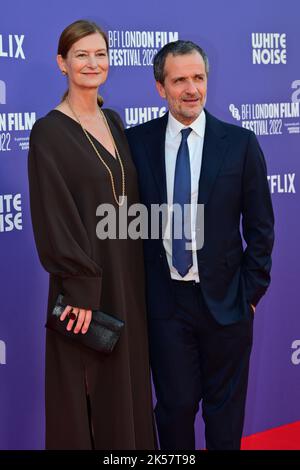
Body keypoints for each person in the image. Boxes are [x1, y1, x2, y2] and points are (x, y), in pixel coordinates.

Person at [125, 40, 274, 450]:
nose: (191, 89)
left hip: (228, 303)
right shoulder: (136, 143)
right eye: (179, 81)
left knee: (224, 415)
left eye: (199, 78)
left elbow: (262, 227)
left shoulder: (240, 144)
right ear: (160, 87)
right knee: (173, 409)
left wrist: (251, 295)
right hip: (166, 305)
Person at [28, 19, 156, 450]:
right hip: (88, 291)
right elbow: (53, 214)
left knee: (129, 395)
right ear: (61, 63)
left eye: (100, 54)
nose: (92, 62)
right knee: (89, 399)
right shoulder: (48, 131)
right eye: (80, 54)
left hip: (128, 279)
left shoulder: (114, 121)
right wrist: (80, 286)